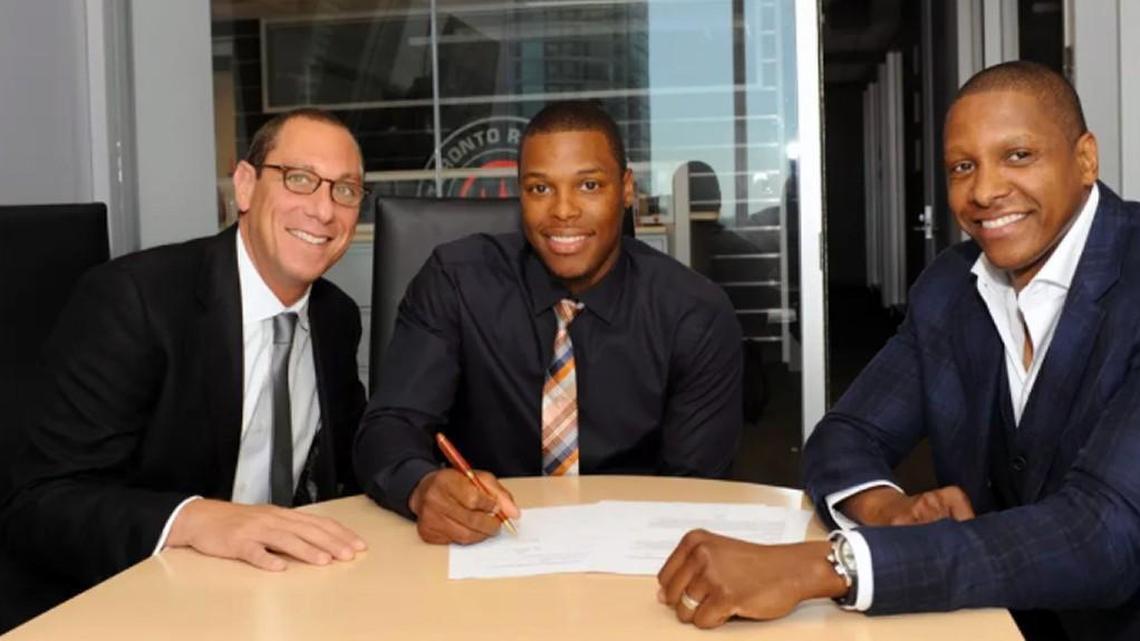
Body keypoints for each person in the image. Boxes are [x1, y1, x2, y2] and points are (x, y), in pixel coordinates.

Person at [656, 61, 1140, 641]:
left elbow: (1105, 533)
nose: (984, 191)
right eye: (963, 167)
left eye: (1018, 156)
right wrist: (889, 511)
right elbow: (845, 435)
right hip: (988, 621)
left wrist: (834, 564)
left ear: (1085, 159)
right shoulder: (950, 288)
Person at [0, 108, 369, 630]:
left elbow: (350, 464)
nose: (324, 210)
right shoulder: (135, 300)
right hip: (134, 604)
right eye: (300, 179)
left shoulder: (335, 318)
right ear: (245, 186)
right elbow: (40, 501)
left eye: (345, 191)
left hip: (274, 596)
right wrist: (193, 519)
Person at [355, 100, 743, 545]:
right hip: (486, 544)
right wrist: (422, 487)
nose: (563, 210)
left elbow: (693, 492)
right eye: (540, 188)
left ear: (626, 189)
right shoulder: (456, 285)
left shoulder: (694, 314)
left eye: (589, 185)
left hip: (634, 552)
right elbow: (389, 427)